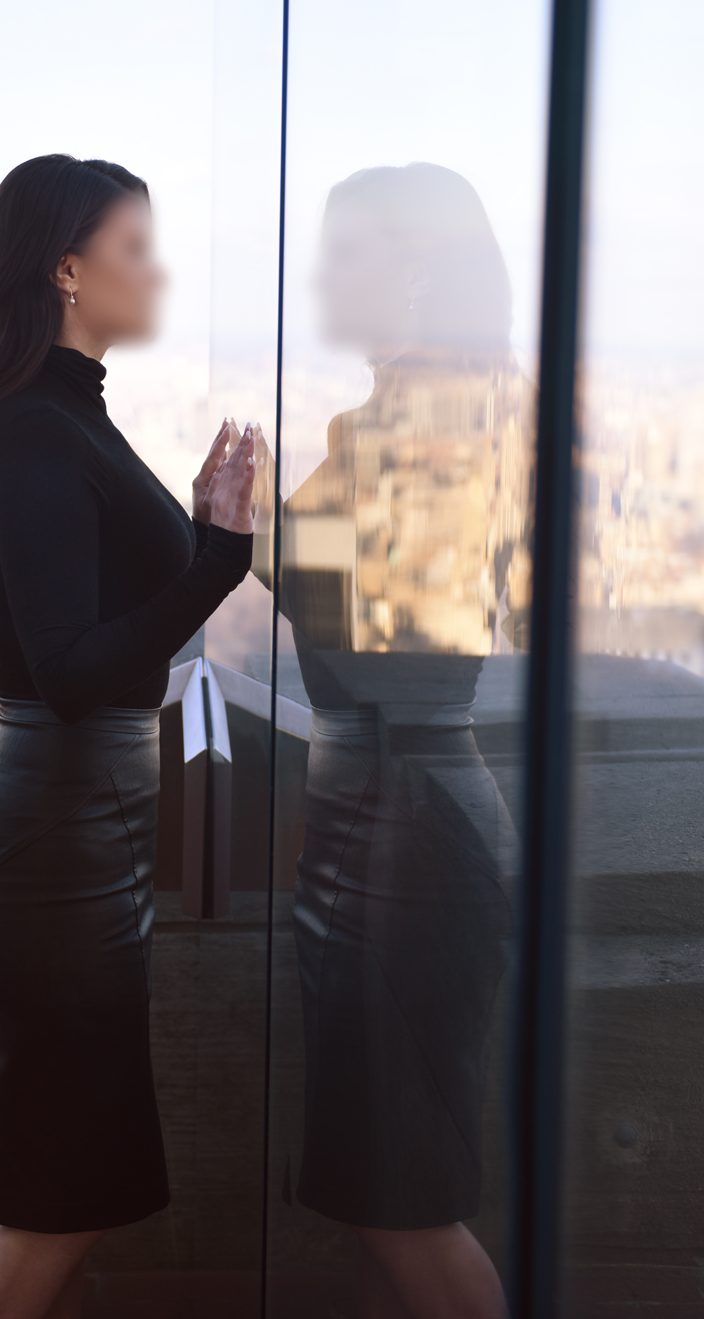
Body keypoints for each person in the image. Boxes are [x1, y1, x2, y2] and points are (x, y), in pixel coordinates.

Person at [0, 153, 257, 1319]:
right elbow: (70, 672)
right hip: (48, 849)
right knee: (56, 1201)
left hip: (71, 845)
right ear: (68, 269)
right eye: (133, 246)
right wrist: (215, 559)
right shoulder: (36, 432)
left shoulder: (64, 416)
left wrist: (205, 530)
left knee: (72, 1189)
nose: (154, 268)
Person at [259, 162, 528, 1319]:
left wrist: (260, 529)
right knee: (384, 1187)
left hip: (403, 833)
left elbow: (379, 649)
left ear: (414, 269)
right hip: (388, 822)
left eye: (345, 251)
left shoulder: (428, 423)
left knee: (399, 1197)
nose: (320, 275)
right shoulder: (437, 410)